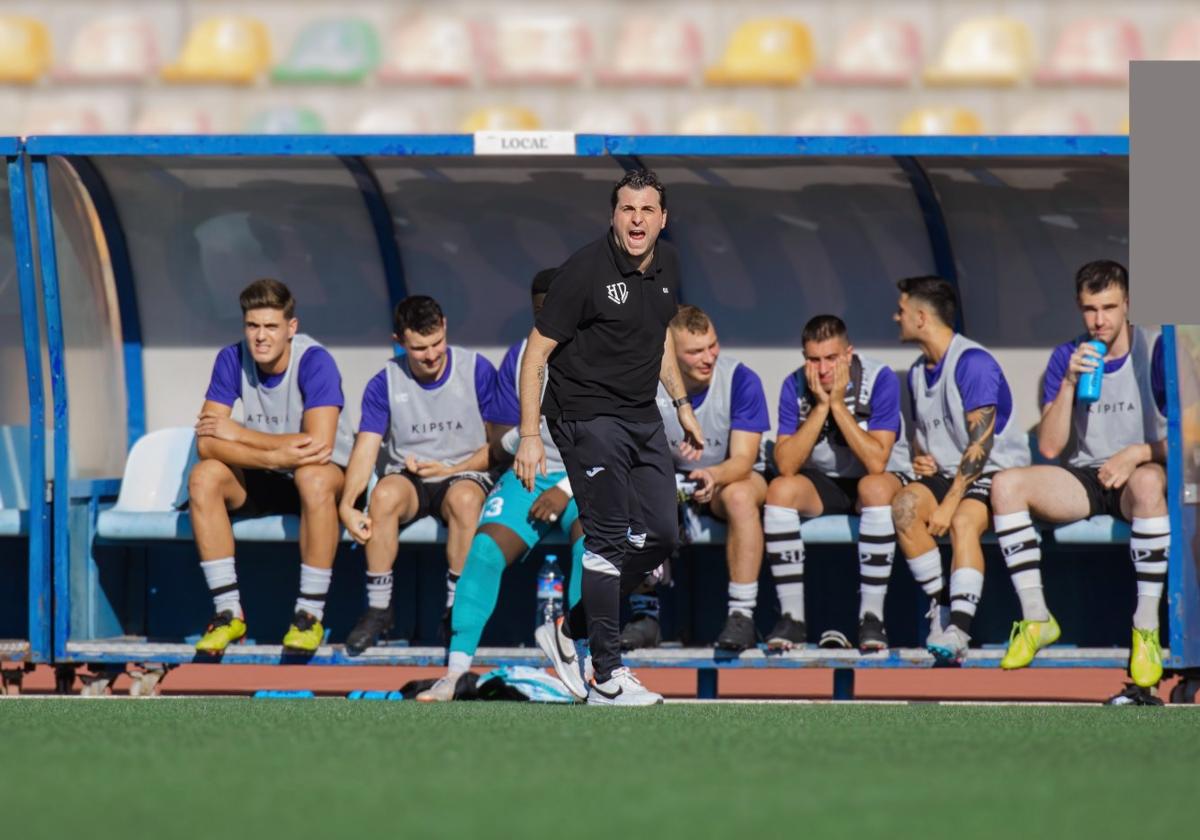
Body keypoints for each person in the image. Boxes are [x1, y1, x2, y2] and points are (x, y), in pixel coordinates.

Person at [515, 169, 704, 706]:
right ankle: (607, 676)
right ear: (613, 215)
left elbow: (661, 335)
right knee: (609, 540)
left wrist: (683, 403)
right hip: (584, 416)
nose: (637, 219)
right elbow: (535, 357)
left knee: (663, 537)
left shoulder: (668, 265)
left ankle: (568, 629)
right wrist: (530, 435)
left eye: (647, 210)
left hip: (642, 414)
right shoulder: (583, 272)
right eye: (627, 209)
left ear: (663, 219)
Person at [990, 260, 1169, 688]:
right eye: (1090, 309)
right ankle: (1036, 618)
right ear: (1078, 306)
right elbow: (1051, 447)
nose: (1099, 320)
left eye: (1109, 307)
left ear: (1128, 303)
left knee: (1145, 481)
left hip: (1146, 471)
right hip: (1088, 475)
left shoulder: (1156, 350)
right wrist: (1069, 381)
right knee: (1006, 484)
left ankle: (1145, 627)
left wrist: (1138, 452)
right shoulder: (1067, 355)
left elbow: (1191, 438)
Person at [417, 270, 588, 702]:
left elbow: (615, 440)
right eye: (538, 313)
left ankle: (585, 660)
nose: (547, 322)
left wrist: (566, 490)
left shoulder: (601, 354)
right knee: (485, 550)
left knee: (594, 547)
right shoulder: (521, 356)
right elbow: (503, 441)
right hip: (533, 472)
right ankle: (454, 672)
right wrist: (511, 447)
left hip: (591, 476)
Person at [189, 278, 355, 653]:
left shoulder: (316, 361)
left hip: (324, 478)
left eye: (271, 327)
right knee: (204, 477)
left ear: (290, 328)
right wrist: (272, 456)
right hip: (270, 472)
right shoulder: (230, 359)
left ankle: (309, 615)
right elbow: (207, 442)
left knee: (312, 478)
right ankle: (228, 613)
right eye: (252, 326)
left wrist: (239, 433)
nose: (260, 337)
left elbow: (318, 446)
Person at [338, 295, 502, 654]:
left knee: (464, 498)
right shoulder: (384, 381)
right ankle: (380, 610)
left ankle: (455, 612)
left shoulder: (476, 369)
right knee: (382, 495)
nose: (430, 355)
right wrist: (348, 505)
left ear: (444, 326)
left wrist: (453, 469)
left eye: (436, 343)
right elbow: (365, 448)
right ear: (399, 342)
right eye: (419, 348)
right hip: (410, 478)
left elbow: (500, 445)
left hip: (465, 473)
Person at [889, 276, 1031, 664]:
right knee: (903, 507)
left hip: (994, 473)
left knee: (963, 520)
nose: (894, 317)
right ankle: (942, 609)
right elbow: (932, 434)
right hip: (949, 475)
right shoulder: (918, 371)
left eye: (900, 311)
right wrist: (923, 457)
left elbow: (981, 446)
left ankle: (961, 630)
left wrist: (950, 502)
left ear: (921, 317)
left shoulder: (973, 362)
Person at [618, 304, 769, 653]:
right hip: (667, 482)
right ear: (669, 351)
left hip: (727, 477)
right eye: (695, 351)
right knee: (630, 491)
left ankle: (742, 616)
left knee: (740, 496)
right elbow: (631, 453)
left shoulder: (740, 379)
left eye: (712, 345)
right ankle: (645, 616)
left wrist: (712, 474)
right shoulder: (645, 382)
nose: (708, 357)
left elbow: (744, 461)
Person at [764, 314, 913, 653]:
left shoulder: (879, 378)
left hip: (878, 479)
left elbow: (876, 461)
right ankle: (793, 620)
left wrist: (839, 405)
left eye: (831, 358)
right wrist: (821, 408)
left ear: (849, 354)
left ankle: (871, 619)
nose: (822, 368)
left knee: (873, 487)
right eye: (813, 359)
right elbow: (785, 465)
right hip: (824, 483)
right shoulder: (795, 384)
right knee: (779, 491)